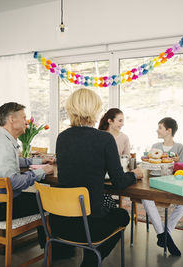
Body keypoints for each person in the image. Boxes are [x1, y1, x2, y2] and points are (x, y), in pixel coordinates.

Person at [53, 88, 143, 267]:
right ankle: (91, 260)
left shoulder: (62, 137)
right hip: (90, 225)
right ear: (95, 110)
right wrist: (134, 174)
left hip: (60, 223)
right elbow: (119, 182)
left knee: (104, 203)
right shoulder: (104, 139)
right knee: (122, 215)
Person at [0, 102, 54, 249]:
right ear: (12, 119)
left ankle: (49, 246)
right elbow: (13, 182)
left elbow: (14, 161)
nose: (26, 121)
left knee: (41, 198)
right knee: (49, 202)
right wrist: (42, 171)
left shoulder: (0, 139)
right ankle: (51, 250)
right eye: (24, 117)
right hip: (0, 208)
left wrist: (39, 160)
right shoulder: (2, 145)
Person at [142, 117, 183, 256]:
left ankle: (165, 233)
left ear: (169, 131)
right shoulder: (156, 146)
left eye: (160, 127)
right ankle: (163, 235)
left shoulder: (179, 148)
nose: (157, 130)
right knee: (145, 198)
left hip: (173, 183)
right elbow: (150, 166)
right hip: (155, 182)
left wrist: (178, 162)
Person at [99, 108, 130, 208]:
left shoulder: (124, 138)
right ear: (110, 121)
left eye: (123, 121)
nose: (123, 124)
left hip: (116, 173)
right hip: (101, 175)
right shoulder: (99, 136)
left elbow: (127, 157)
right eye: (120, 121)